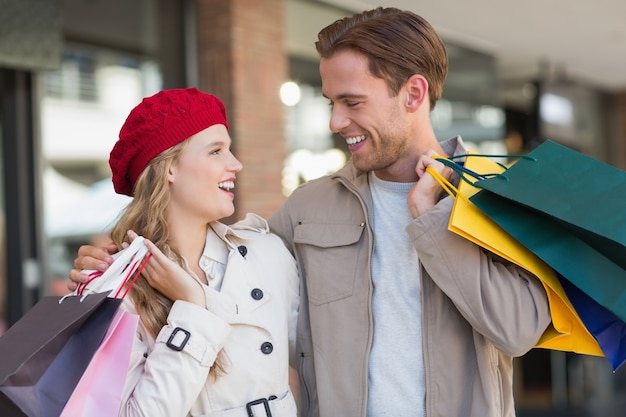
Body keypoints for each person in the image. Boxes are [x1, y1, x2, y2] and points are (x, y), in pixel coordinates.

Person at [69, 7, 552, 417]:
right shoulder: (309, 208)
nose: (336, 121)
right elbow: (228, 274)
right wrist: (117, 261)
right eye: (331, 102)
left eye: (352, 102)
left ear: (414, 94)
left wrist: (432, 218)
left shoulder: (493, 198)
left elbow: (516, 333)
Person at [74, 87, 299, 416]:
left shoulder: (268, 253)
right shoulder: (115, 288)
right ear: (169, 168)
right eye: (215, 151)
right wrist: (193, 309)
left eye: (230, 150)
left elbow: (317, 362)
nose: (235, 164)